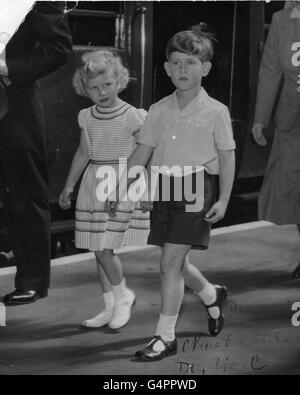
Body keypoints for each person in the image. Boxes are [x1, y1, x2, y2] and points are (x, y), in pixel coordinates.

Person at [106, 23, 236, 360]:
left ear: (205, 69)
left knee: (168, 262)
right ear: (166, 68)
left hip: (197, 188)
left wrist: (222, 199)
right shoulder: (158, 110)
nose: (182, 69)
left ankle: (164, 336)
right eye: (176, 62)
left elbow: (226, 156)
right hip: (163, 188)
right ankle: (211, 294)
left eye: (190, 63)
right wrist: (121, 188)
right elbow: (142, 153)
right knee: (176, 261)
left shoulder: (216, 111)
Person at [59, 50, 150, 330]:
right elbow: (83, 152)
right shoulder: (86, 117)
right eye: (95, 88)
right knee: (96, 249)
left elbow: (146, 154)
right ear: (84, 90)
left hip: (121, 183)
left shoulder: (134, 117)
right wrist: (68, 185)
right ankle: (110, 306)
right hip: (93, 183)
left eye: (107, 84)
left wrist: (146, 192)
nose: (102, 92)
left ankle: (124, 296)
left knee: (103, 250)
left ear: (119, 80)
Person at [0, 1, 72, 306]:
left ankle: (32, 280)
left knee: (25, 193)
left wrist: (8, 68)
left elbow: (59, 47)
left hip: (13, 102)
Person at [251, 1, 300, 279]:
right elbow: (270, 70)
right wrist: (261, 118)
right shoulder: (282, 20)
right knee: (295, 191)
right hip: (292, 121)